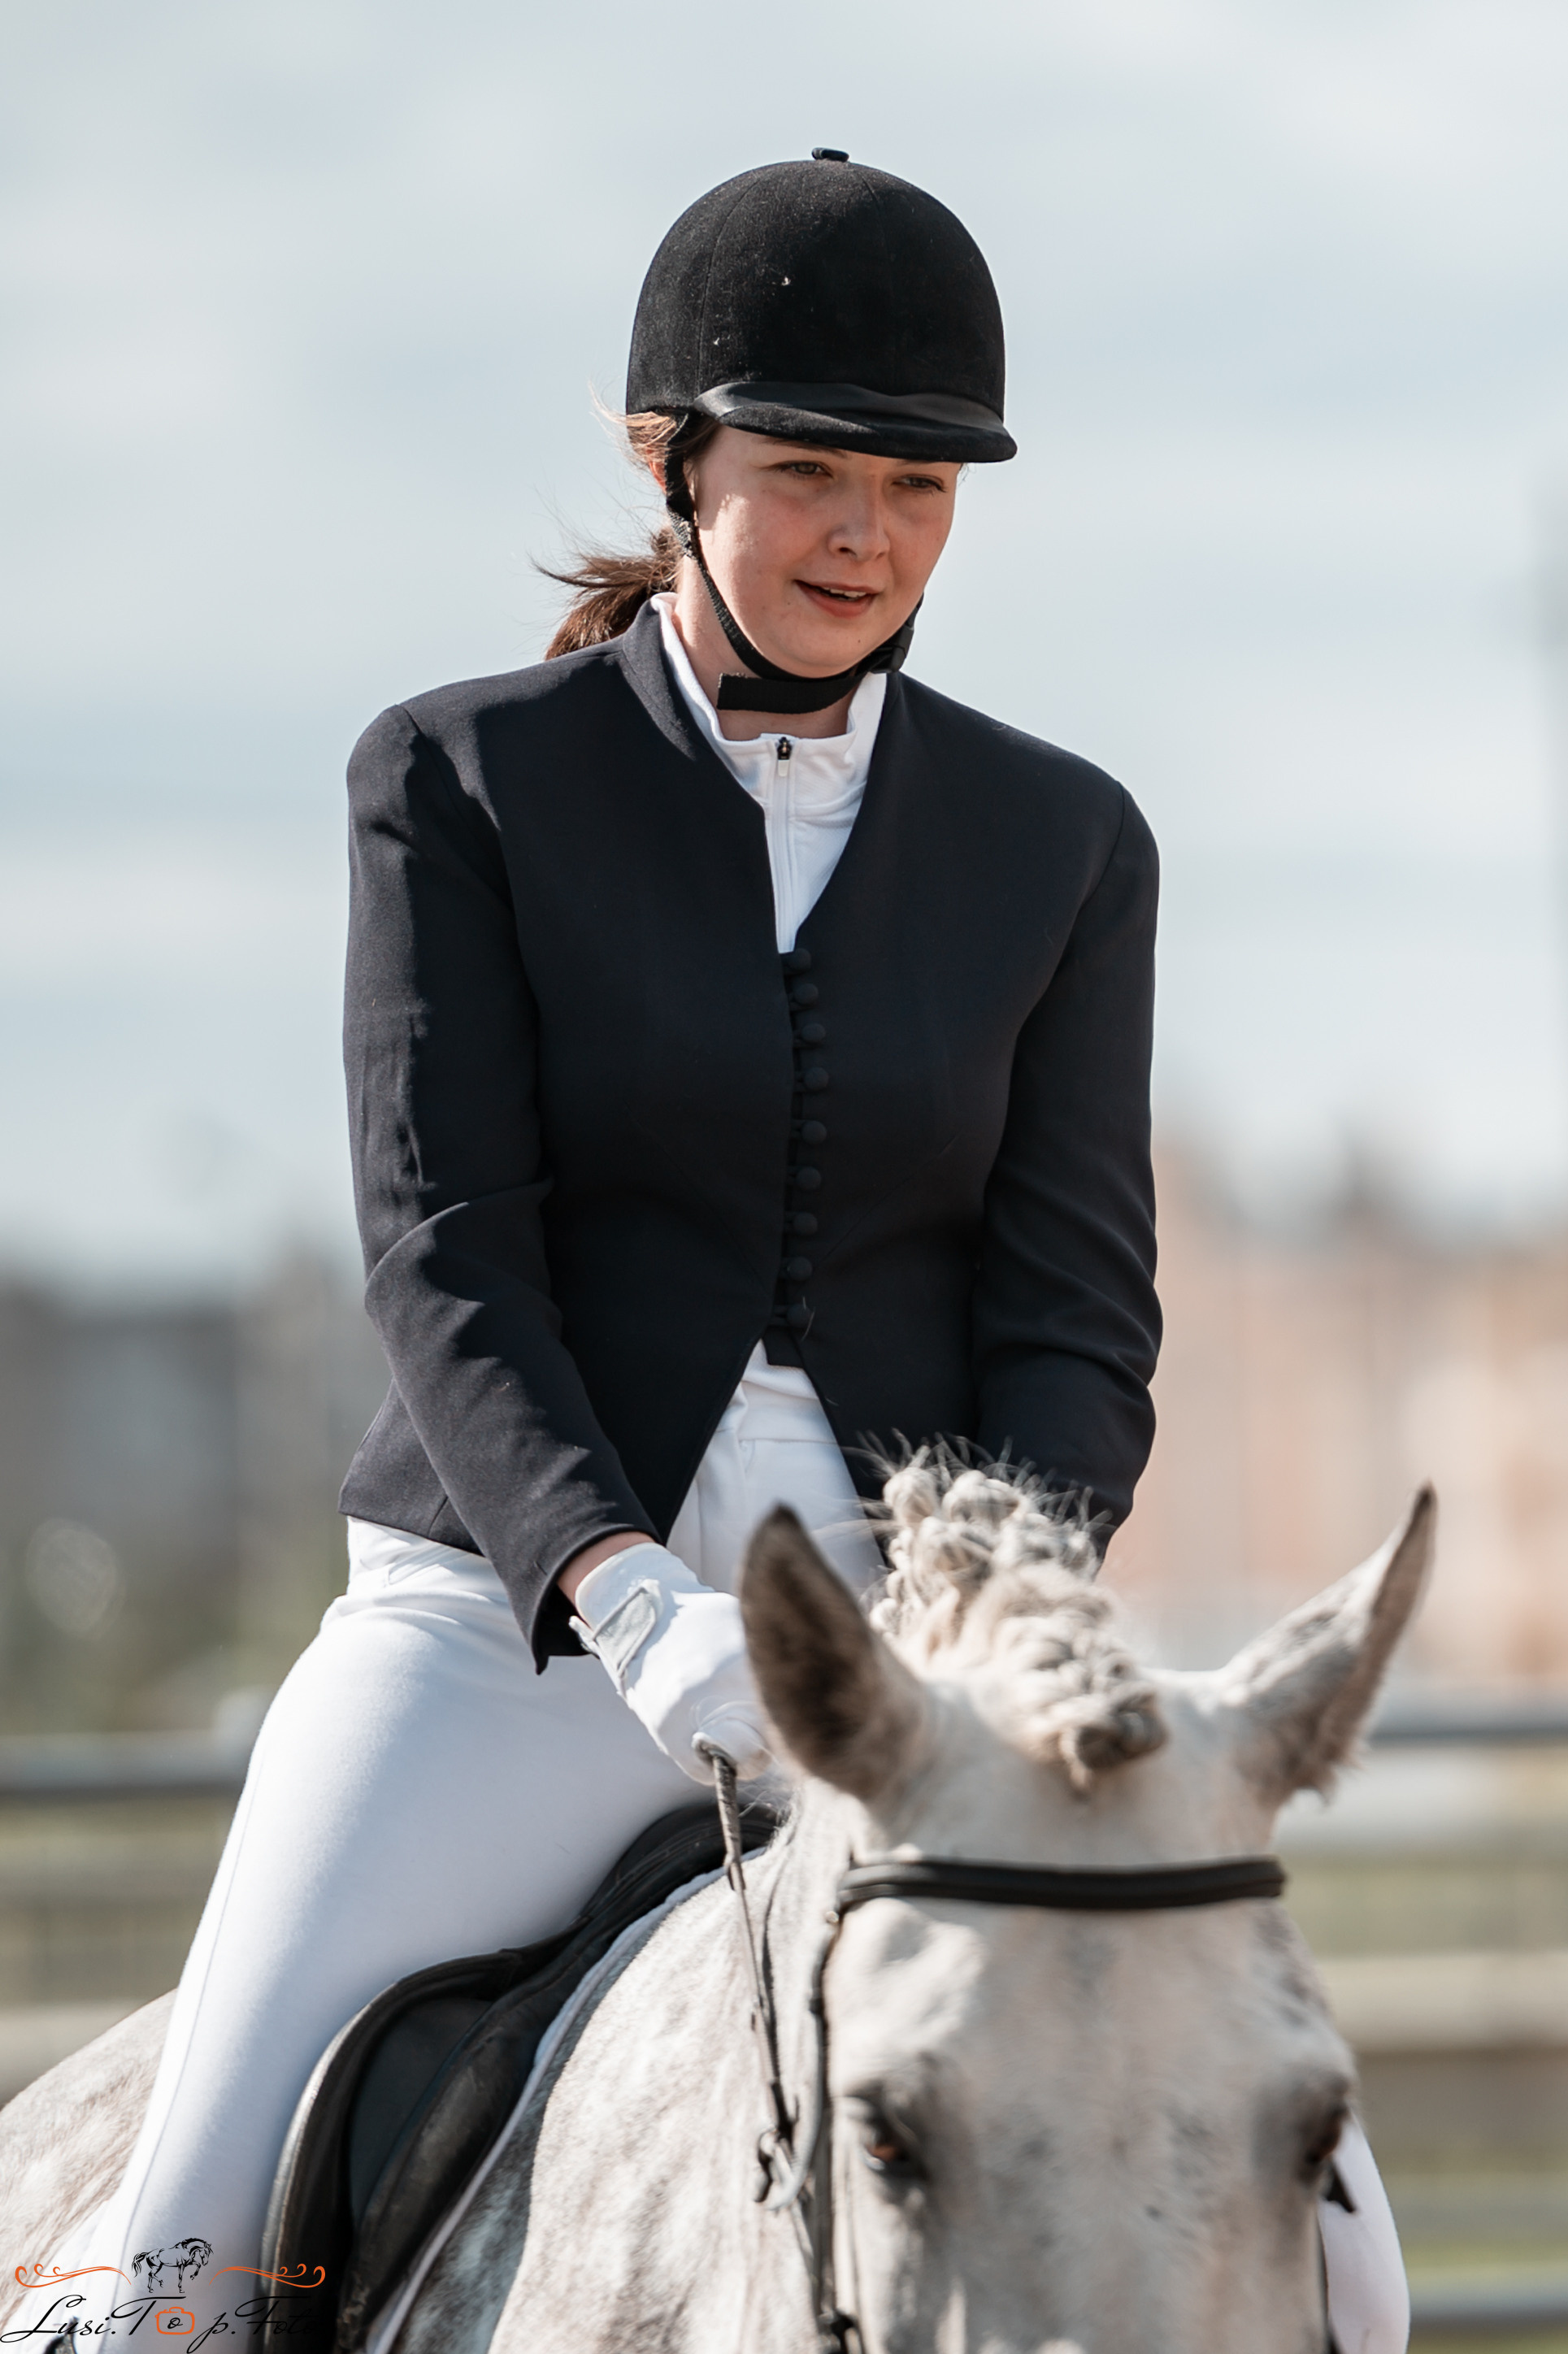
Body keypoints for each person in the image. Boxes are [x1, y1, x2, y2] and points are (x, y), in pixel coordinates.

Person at [11, 154, 1402, 2354]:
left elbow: (1071, 1315)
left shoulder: (1061, 838)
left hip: (913, 1665)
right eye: (811, 475)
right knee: (172, 2255)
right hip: (511, 1636)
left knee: (1344, 2257)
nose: (868, 535)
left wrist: (989, 1633)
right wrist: (616, 1585)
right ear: (675, 467)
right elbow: (446, 1254)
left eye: (921, 487)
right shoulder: (458, 779)